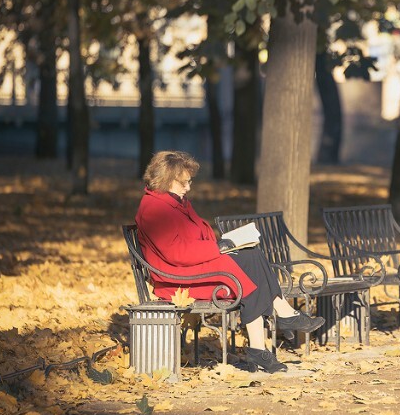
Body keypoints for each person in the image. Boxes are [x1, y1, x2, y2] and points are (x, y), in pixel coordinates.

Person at [135, 150, 323, 373]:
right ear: (166, 180)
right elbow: (176, 252)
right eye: (184, 182)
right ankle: (278, 323)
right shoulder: (154, 208)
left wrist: (228, 244)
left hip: (191, 267)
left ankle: (271, 333)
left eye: (189, 181)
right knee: (243, 271)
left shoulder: (174, 202)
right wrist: (220, 247)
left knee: (251, 254)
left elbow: (194, 239)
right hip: (176, 279)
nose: (188, 187)